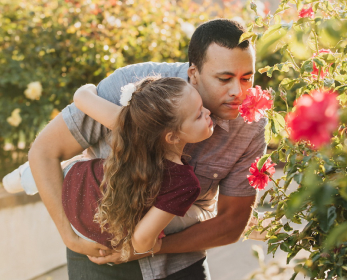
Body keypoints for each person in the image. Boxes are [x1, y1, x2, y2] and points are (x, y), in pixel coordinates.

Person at [25, 18, 265, 279]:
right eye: (225, 78)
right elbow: (44, 151)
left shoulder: (252, 124)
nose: (239, 92)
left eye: (247, 78)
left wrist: (148, 248)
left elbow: (232, 224)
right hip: (97, 257)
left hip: (180, 263)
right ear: (193, 73)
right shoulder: (131, 88)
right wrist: (69, 237)